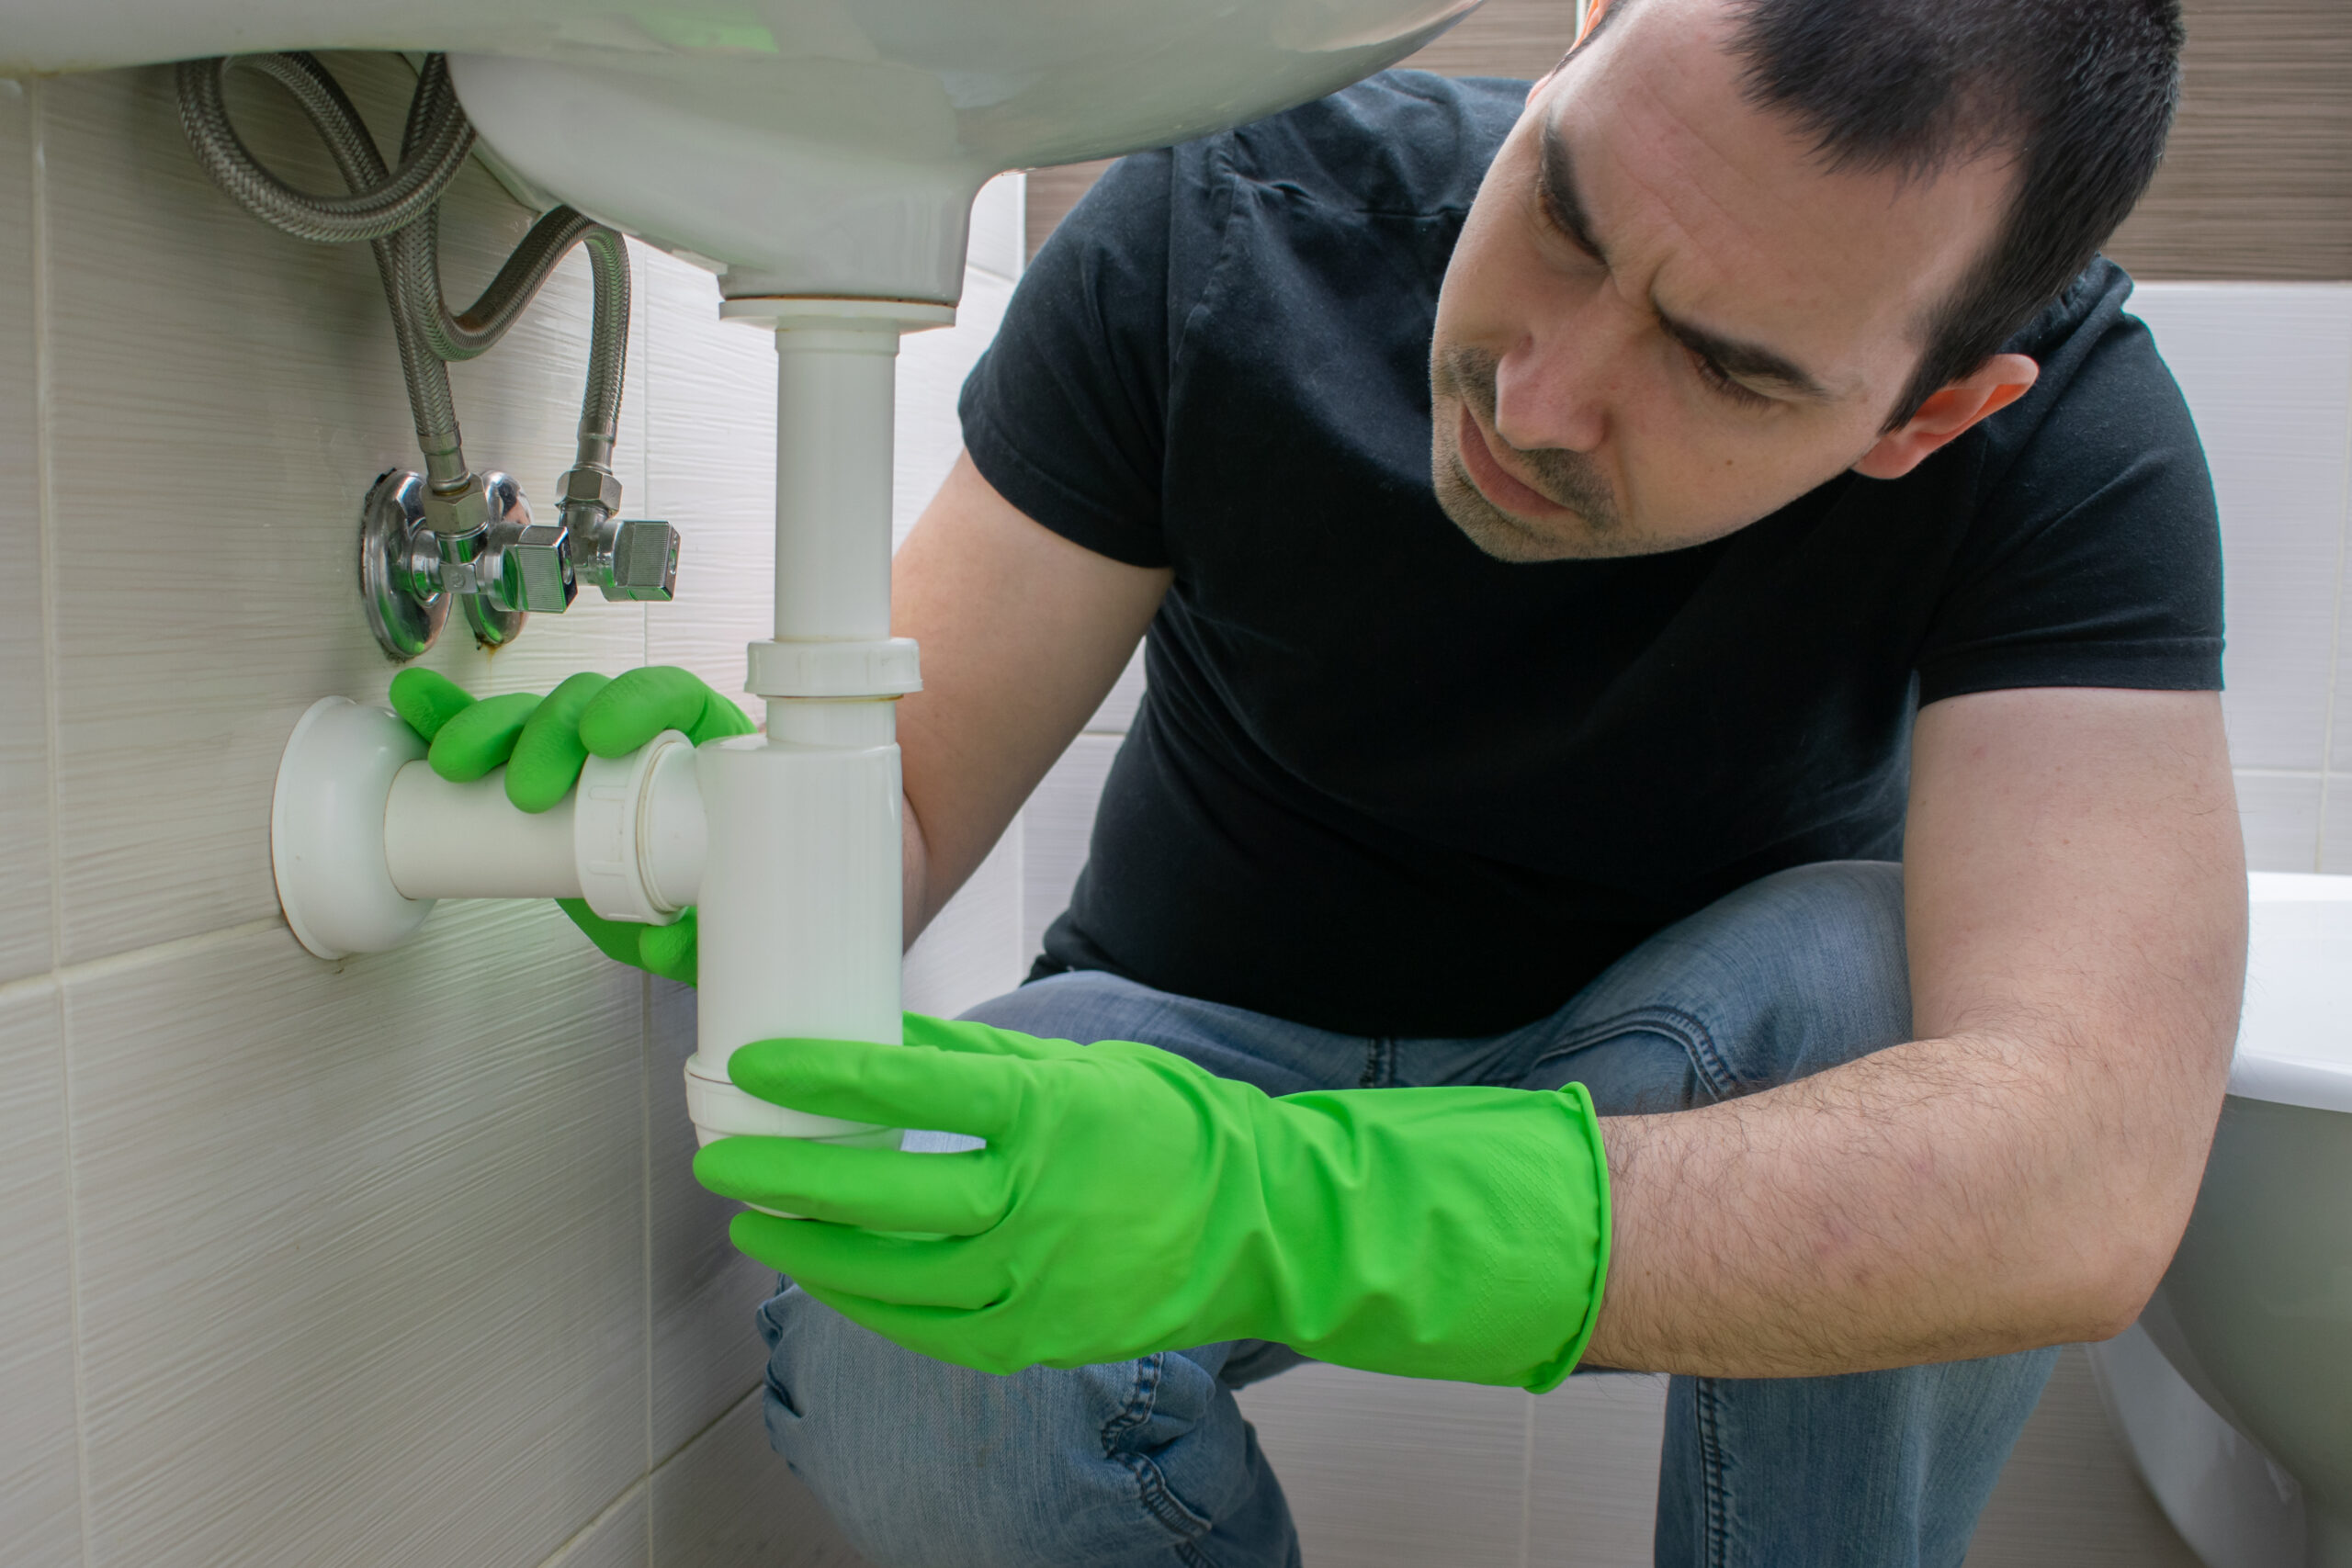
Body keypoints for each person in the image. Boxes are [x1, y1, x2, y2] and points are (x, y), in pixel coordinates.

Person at [395, 0, 2249, 1560]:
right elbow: (896, 802)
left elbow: (2077, 1167)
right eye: (1569, 217)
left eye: (1720, 365)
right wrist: (724, 840)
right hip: (1185, 1029)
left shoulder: (2072, 438)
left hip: (1672, 1103)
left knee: (1899, 1004)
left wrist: (1272, 1199)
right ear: (1582, 33)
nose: (1537, 398)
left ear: (1925, 416)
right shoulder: (1229, 217)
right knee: (908, 1259)